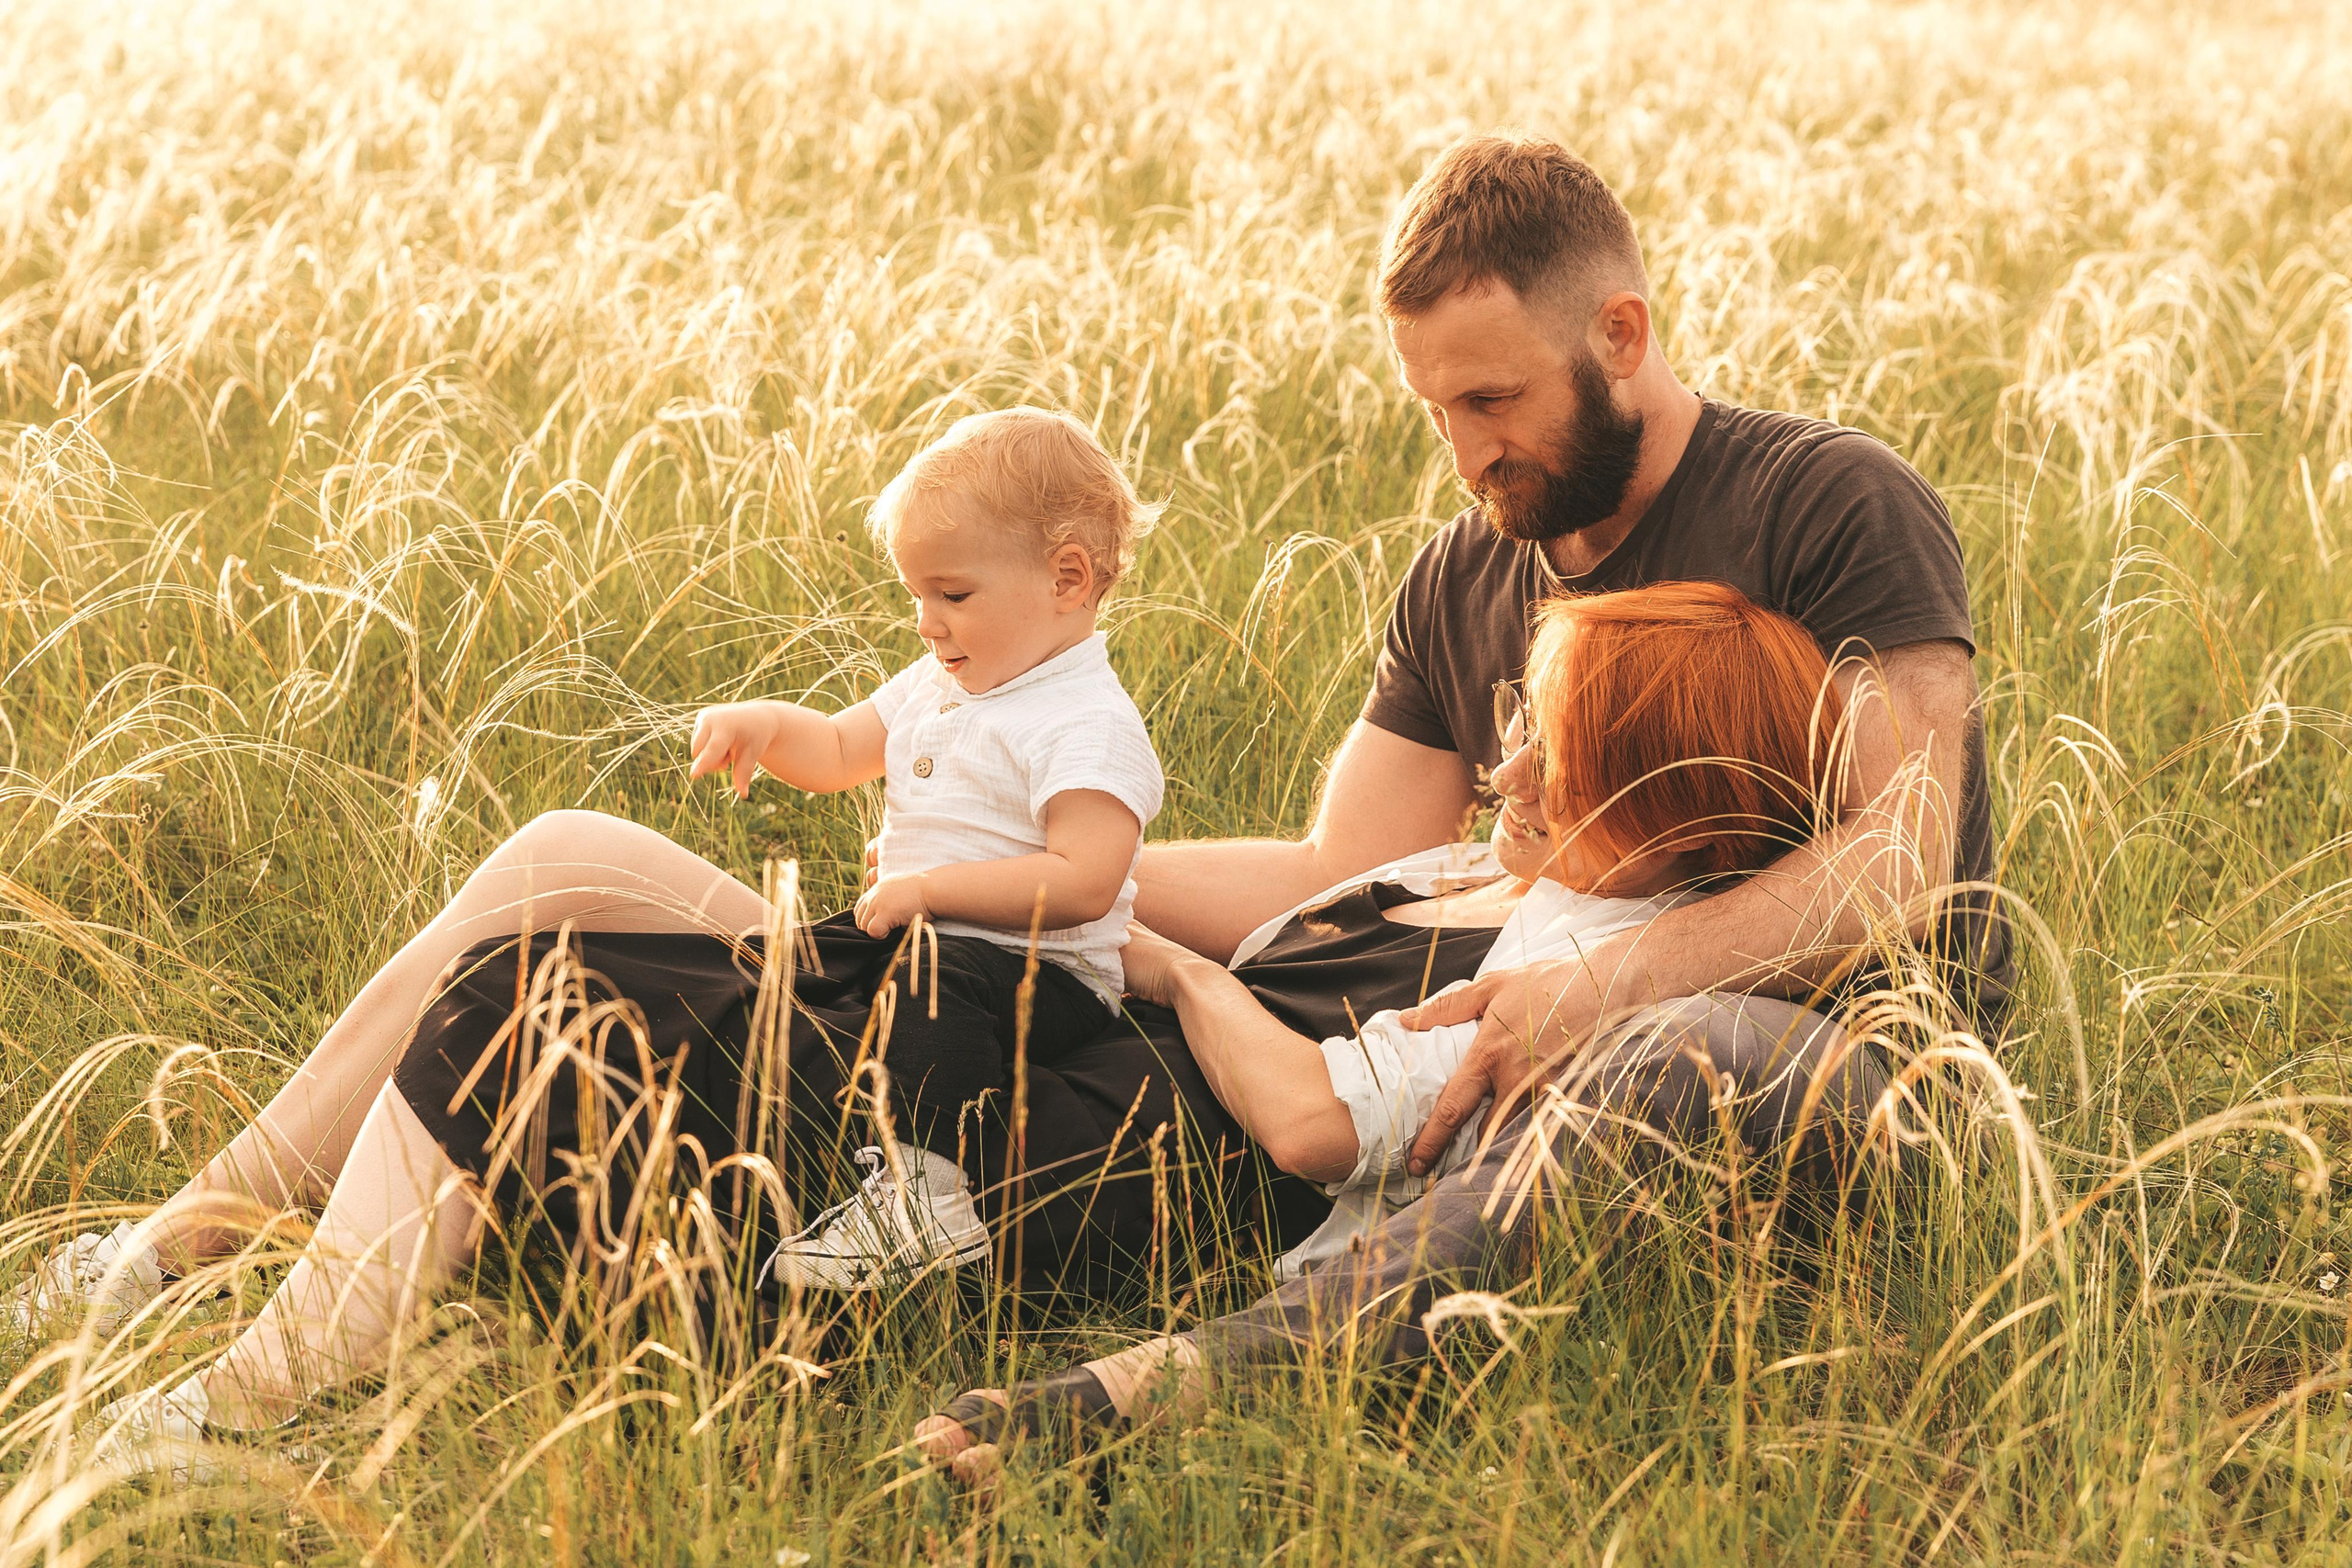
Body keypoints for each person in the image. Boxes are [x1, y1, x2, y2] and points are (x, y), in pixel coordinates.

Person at [909, 127, 2011, 1473]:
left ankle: (1202, 1382)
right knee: (1185, 1059)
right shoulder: (1463, 570)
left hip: (1836, 1084)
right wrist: (1027, 868)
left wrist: (1602, 992)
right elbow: (1342, 864)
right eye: (1437, 409)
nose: (1466, 453)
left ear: (1620, 332)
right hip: (1498, 1077)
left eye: (1493, 401)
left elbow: (1902, 856)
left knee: (1676, 1050)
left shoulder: (1828, 503)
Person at [911, 583, 1886, 1472]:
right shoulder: (1466, 870)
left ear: (1688, 816)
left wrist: (1176, 970)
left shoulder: (1576, 986)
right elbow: (1279, 890)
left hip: (1123, 1150)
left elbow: (1312, 1124)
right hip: (1069, 1052)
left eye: (1561, 758)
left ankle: (1133, 1402)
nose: (1506, 772)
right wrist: (1006, 869)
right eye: (1521, 723)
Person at [686, 405, 1165, 1291]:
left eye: (952, 595)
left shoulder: (1086, 721)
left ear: (1067, 579)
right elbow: (836, 749)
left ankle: (929, 1203)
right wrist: (763, 724)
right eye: (915, 595)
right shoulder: (942, 682)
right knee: (805, 964)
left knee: (935, 971)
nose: (925, 621)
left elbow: (1086, 881)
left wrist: (932, 888)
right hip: (931, 941)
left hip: (1043, 976)